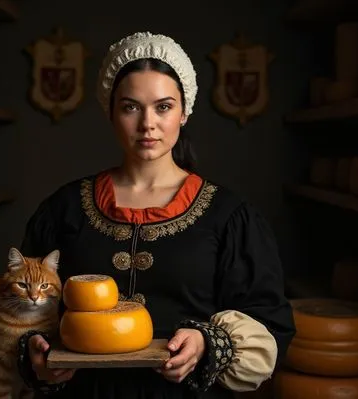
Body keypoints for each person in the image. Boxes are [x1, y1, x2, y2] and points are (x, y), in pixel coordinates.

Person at [16, 31, 296, 399]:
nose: (148, 123)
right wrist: (35, 354)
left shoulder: (229, 215)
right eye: (131, 107)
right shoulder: (63, 209)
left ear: (184, 112)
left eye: (163, 106)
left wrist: (205, 343)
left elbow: (270, 320)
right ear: (111, 112)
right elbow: (20, 315)